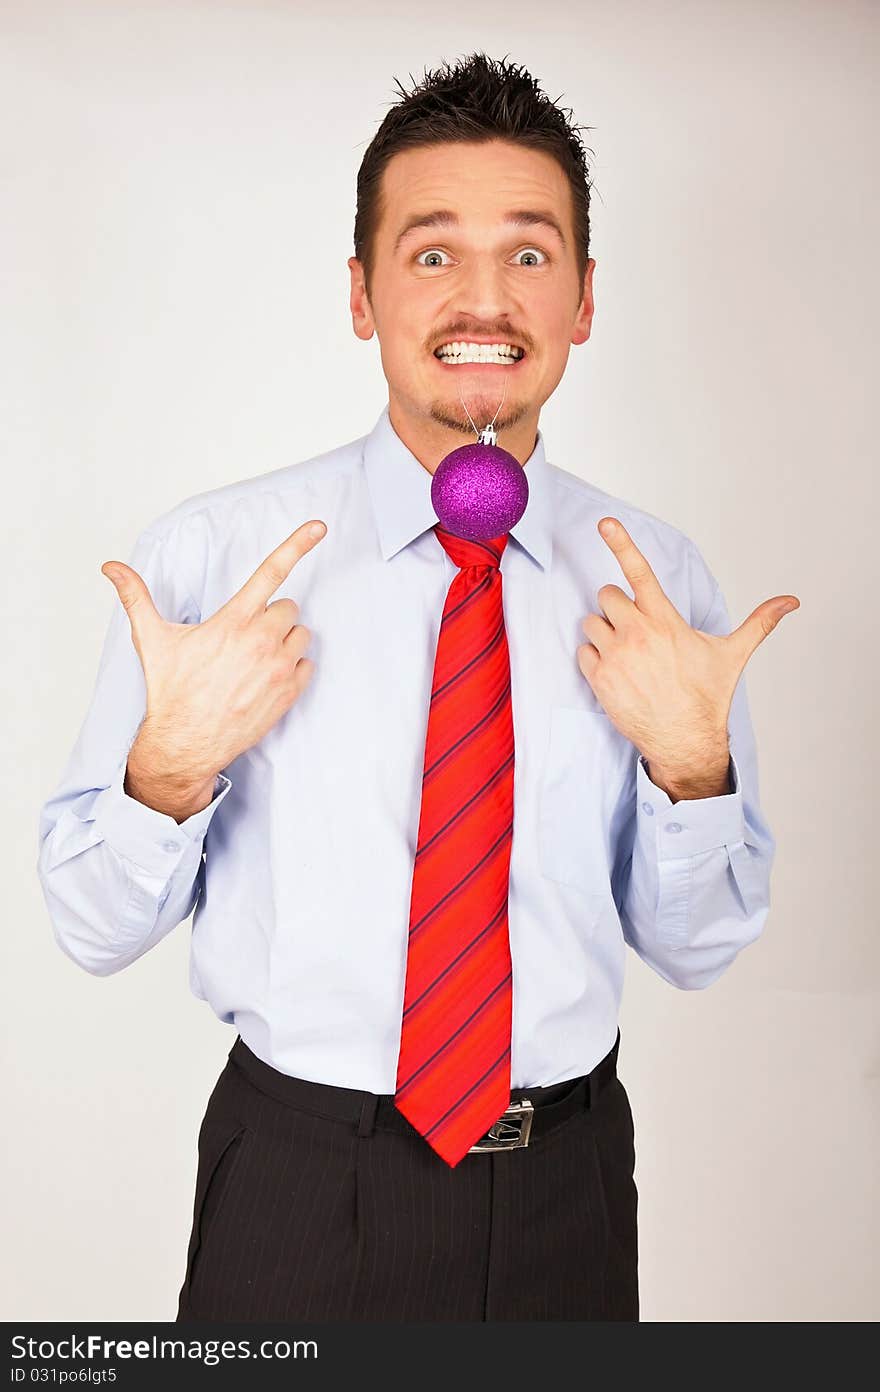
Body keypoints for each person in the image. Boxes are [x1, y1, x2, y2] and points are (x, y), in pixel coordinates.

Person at [36, 52, 796, 1323]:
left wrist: (690, 769)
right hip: (297, 1184)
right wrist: (167, 774)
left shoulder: (654, 583)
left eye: (531, 254)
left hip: (569, 1189)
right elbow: (90, 928)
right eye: (433, 253)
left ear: (585, 299)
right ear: (361, 292)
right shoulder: (217, 563)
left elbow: (698, 947)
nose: (482, 297)